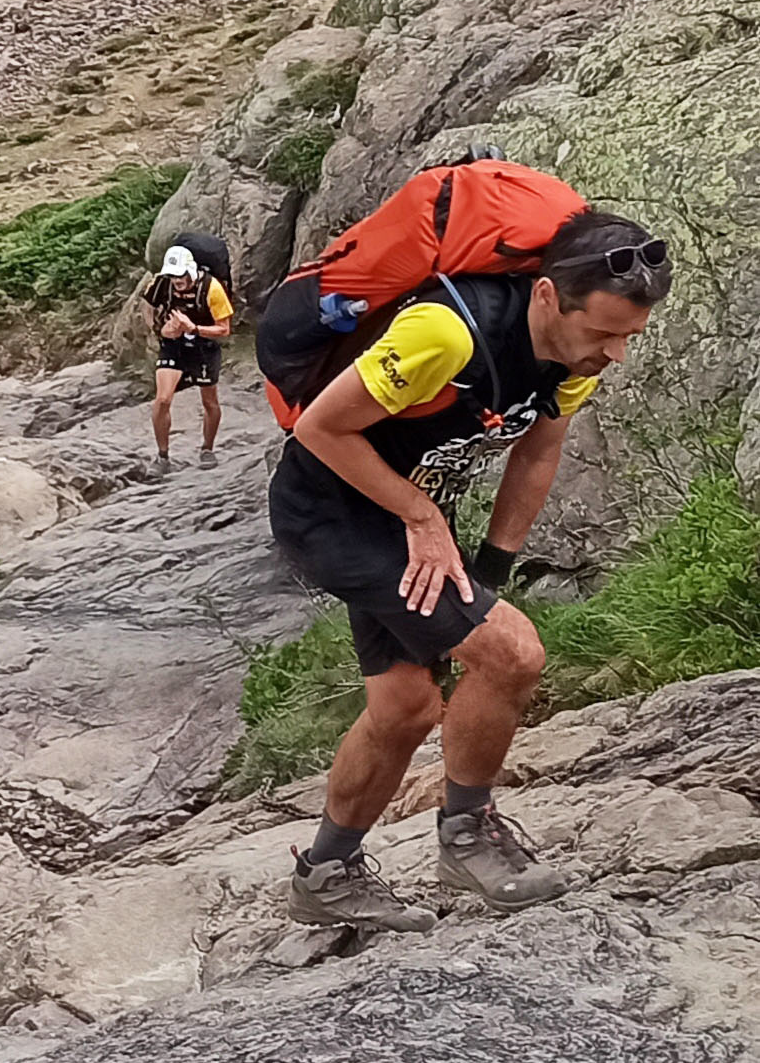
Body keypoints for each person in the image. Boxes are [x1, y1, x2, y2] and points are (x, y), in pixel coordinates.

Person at [268, 211, 672, 932]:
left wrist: (494, 563)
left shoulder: (571, 360)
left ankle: (325, 874)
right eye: (602, 333)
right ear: (546, 297)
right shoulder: (447, 333)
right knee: (512, 655)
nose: (613, 355)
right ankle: (465, 835)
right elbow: (318, 428)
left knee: (406, 709)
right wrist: (424, 524)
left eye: (627, 338)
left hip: (406, 516)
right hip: (330, 509)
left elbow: (536, 452)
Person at [143, 244, 233, 469]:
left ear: (190, 271)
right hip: (173, 344)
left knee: (209, 401)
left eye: (180, 275)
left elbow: (224, 329)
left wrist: (193, 328)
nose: (176, 281)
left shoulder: (212, 288)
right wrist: (158, 329)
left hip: (203, 344)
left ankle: (207, 449)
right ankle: (163, 457)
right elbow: (147, 303)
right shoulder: (162, 284)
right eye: (172, 276)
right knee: (162, 399)